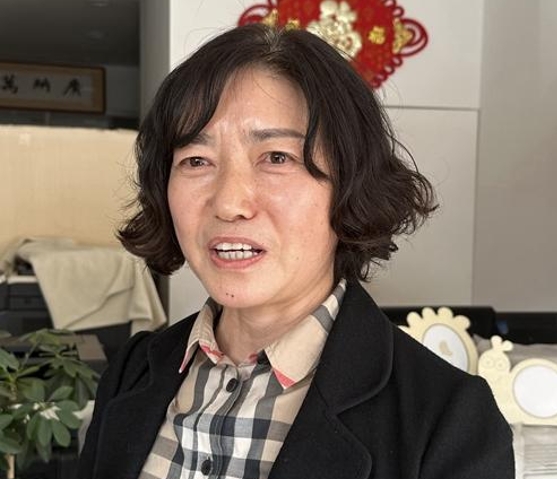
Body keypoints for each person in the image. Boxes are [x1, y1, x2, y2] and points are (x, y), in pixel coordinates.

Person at [77, 23, 514, 479]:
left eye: (276, 157)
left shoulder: (449, 421)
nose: (228, 203)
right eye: (196, 161)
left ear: (350, 181)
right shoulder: (131, 371)